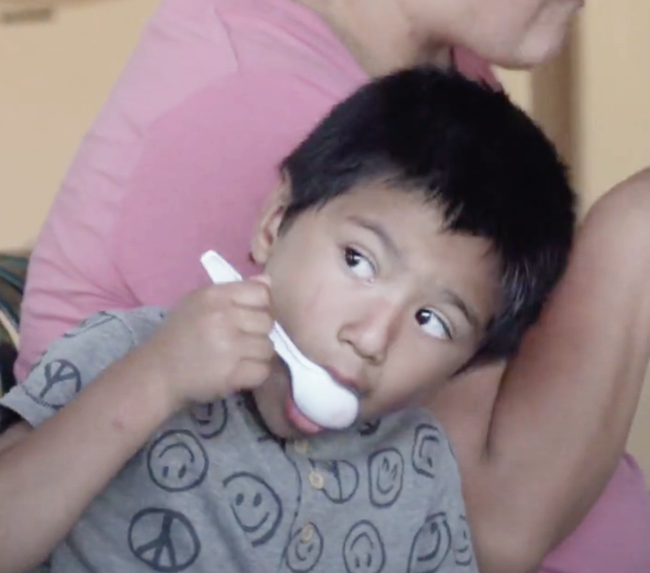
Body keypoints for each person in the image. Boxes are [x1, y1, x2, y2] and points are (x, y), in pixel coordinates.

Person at [14, 0, 650, 571]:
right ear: (271, 221)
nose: (374, 336)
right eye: (358, 260)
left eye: (435, 322)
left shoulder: (444, 91)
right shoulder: (254, 98)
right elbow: (494, 528)